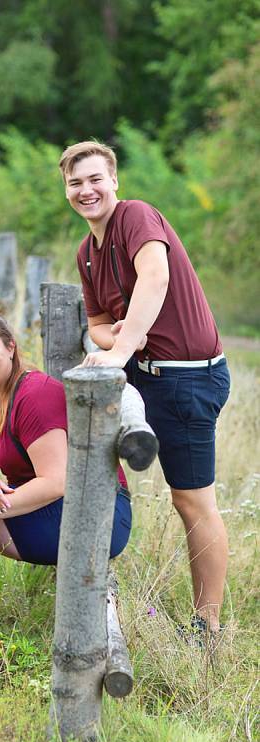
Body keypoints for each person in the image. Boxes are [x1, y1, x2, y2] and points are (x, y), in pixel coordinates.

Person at [59, 139, 231, 636]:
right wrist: (118, 340)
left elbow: (154, 280)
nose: (86, 190)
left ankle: (208, 626)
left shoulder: (136, 217)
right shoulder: (86, 252)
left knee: (192, 501)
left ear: (114, 181)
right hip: (145, 375)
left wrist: (119, 347)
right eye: (76, 183)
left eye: (95, 179)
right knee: (91, 469)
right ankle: (94, 585)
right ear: (66, 191)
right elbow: (96, 323)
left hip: (186, 377)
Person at [0, 310, 132, 566]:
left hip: (95, 513)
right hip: (44, 505)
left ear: (10, 347)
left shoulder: (34, 396)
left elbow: (56, 482)